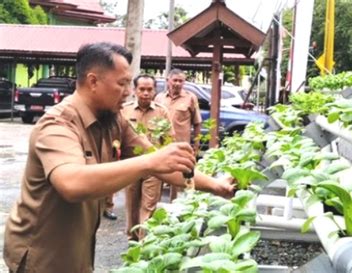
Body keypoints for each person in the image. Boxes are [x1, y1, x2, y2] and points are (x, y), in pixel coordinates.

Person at [3, 42, 234, 273]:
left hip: (77, 251)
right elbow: (72, 183)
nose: (128, 92)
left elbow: (161, 163)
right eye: (122, 83)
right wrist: (150, 163)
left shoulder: (113, 119)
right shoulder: (57, 125)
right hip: (42, 256)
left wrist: (216, 186)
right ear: (93, 81)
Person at [121, 74, 175, 240]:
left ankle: (144, 241)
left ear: (154, 91)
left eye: (149, 89)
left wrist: (167, 166)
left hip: (154, 167)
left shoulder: (161, 111)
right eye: (141, 89)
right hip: (131, 165)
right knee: (131, 205)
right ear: (135, 91)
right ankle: (132, 239)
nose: (145, 93)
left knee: (149, 205)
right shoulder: (125, 110)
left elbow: (168, 140)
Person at [155, 68, 202, 200]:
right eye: (175, 80)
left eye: (180, 81)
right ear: (168, 81)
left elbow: (197, 123)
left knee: (179, 181)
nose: (177, 83)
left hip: (181, 146)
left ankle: (175, 209)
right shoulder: (159, 98)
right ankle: (156, 209)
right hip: (161, 145)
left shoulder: (190, 98)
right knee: (158, 177)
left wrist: (196, 145)